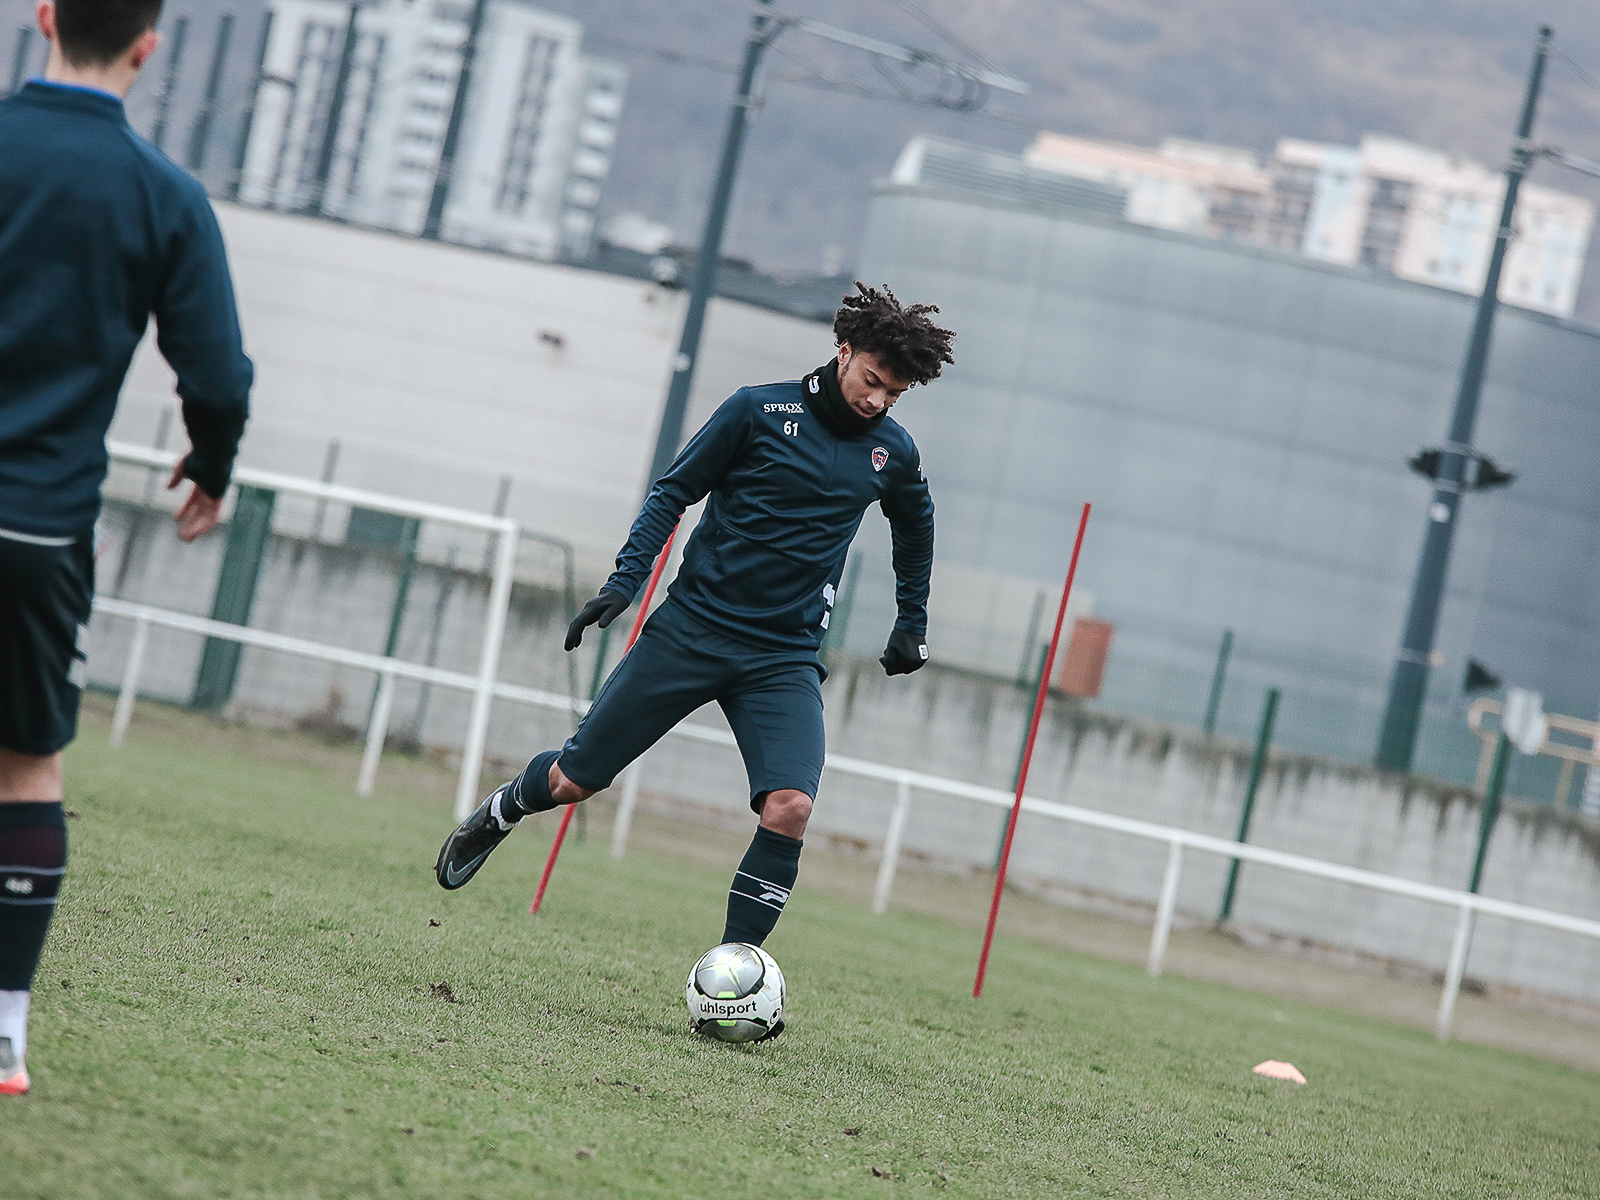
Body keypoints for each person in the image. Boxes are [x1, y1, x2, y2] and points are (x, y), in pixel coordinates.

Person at [437, 284, 953, 1032]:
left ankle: (733, 982)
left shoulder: (891, 452)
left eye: (894, 393)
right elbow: (673, 491)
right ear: (843, 351)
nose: (878, 401)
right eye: (872, 380)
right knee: (575, 780)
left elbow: (917, 528)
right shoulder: (756, 410)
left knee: (792, 806)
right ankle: (501, 809)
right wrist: (624, 583)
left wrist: (913, 621)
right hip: (692, 633)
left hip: (783, 657)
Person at [0, 0, 253, 1095]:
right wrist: (209, 464)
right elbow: (221, 379)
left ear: (42, 18)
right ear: (149, 46)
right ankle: (4, 1026)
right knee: (27, 763)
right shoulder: (167, 196)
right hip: (41, 526)